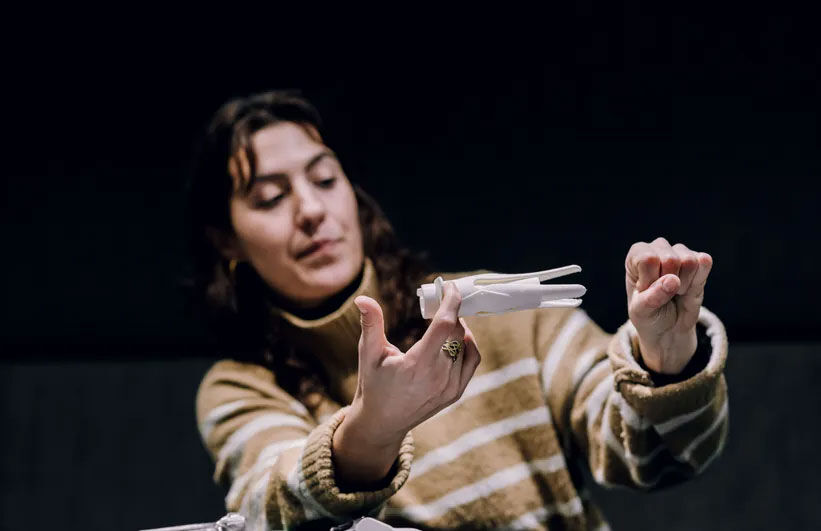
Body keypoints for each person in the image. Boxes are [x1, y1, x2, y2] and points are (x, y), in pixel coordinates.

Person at [185, 90, 729, 530]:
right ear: (226, 240)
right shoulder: (242, 388)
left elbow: (654, 454)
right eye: (270, 198)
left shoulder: (494, 306)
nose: (310, 209)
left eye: (325, 179)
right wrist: (373, 428)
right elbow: (266, 511)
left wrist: (665, 360)